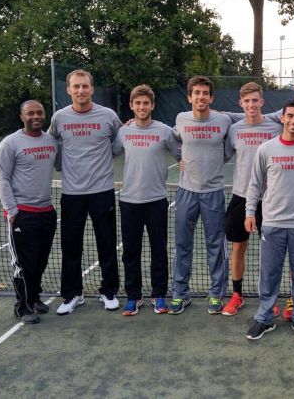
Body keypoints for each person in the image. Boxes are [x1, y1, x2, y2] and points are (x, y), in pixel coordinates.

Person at [244, 100, 294, 341]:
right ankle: (264, 318)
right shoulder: (266, 149)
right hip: (272, 223)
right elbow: (255, 184)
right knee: (269, 274)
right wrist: (250, 212)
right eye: (289, 116)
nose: (293, 121)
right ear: (282, 118)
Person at [49, 69, 122, 315]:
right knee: (70, 246)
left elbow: (118, 142)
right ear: (68, 90)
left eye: (85, 86)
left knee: (107, 244)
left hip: (102, 192)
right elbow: (52, 145)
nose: (81, 91)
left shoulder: (109, 116)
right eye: (76, 86)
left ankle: (109, 292)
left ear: (92, 88)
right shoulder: (59, 118)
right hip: (71, 194)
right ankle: (72, 295)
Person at [112, 85, 181, 316]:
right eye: (137, 103)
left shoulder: (164, 130)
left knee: (158, 249)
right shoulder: (124, 132)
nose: (142, 107)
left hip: (157, 201)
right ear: (132, 106)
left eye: (146, 103)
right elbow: (109, 151)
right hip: (129, 200)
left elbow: (181, 152)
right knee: (131, 251)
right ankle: (133, 296)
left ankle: (159, 295)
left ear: (152, 105)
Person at [170, 76, 232, 315]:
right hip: (186, 192)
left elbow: (228, 148)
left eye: (205, 93)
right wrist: (180, 159)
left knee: (215, 245)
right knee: (182, 245)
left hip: (213, 193)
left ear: (211, 97)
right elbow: (171, 138)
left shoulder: (224, 120)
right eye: (196, 93)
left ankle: (217, 294)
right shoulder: (180, 119)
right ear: (189, 97)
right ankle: (180, 294)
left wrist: (215, 164)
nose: (201, 97)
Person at [0, 100, 58, 324]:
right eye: (30, 113)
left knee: (40, 261)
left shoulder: (51, 140)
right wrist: (12, 211)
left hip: (47, 212)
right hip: (22, 214)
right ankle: (22, 307)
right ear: (22, 117)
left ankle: (35, 298)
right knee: (23, 264)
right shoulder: (10, 143)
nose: (36, 116)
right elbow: (1, 178)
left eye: (39, 112)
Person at [221, 82, 282, 317]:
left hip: (270, 200)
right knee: (239, 247)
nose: (251, 105)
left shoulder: (275, 127)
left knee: (271, 251)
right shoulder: (235, 129)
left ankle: (269, 298)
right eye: (246, 101)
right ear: (241, 104)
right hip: (241, 196)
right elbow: (224, 155)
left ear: (262, 102)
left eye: (255, 100)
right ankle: (237, 295)